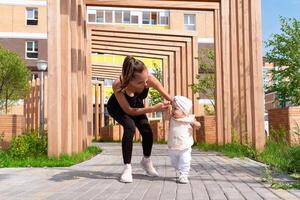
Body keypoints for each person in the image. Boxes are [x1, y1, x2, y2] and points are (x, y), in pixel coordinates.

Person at [107, 55, 172, 183]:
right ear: (129, 80)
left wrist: (176, 104)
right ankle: (127, 168)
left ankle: (146, 161)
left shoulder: (150, 80)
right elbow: (128, 111)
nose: (145, 83)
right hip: (118, 108)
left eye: (146, 79)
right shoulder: (118, 85)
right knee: (130, 127)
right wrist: (153, 108)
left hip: (136, 104)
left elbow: (167, 95)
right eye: (140, 82)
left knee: (147, 131)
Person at [166, 96, 201, 184]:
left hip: (185, 146)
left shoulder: (189, 118)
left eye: (176, 109)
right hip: (173, 146)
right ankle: (180, 169)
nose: (173, 111)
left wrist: (195, 124)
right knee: (174, 163)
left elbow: (198, 125)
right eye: (173, 108)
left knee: (185, 160)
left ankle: (184, 175)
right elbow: (165, 117)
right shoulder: (172, 118)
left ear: (184, 110)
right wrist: (168, 109)